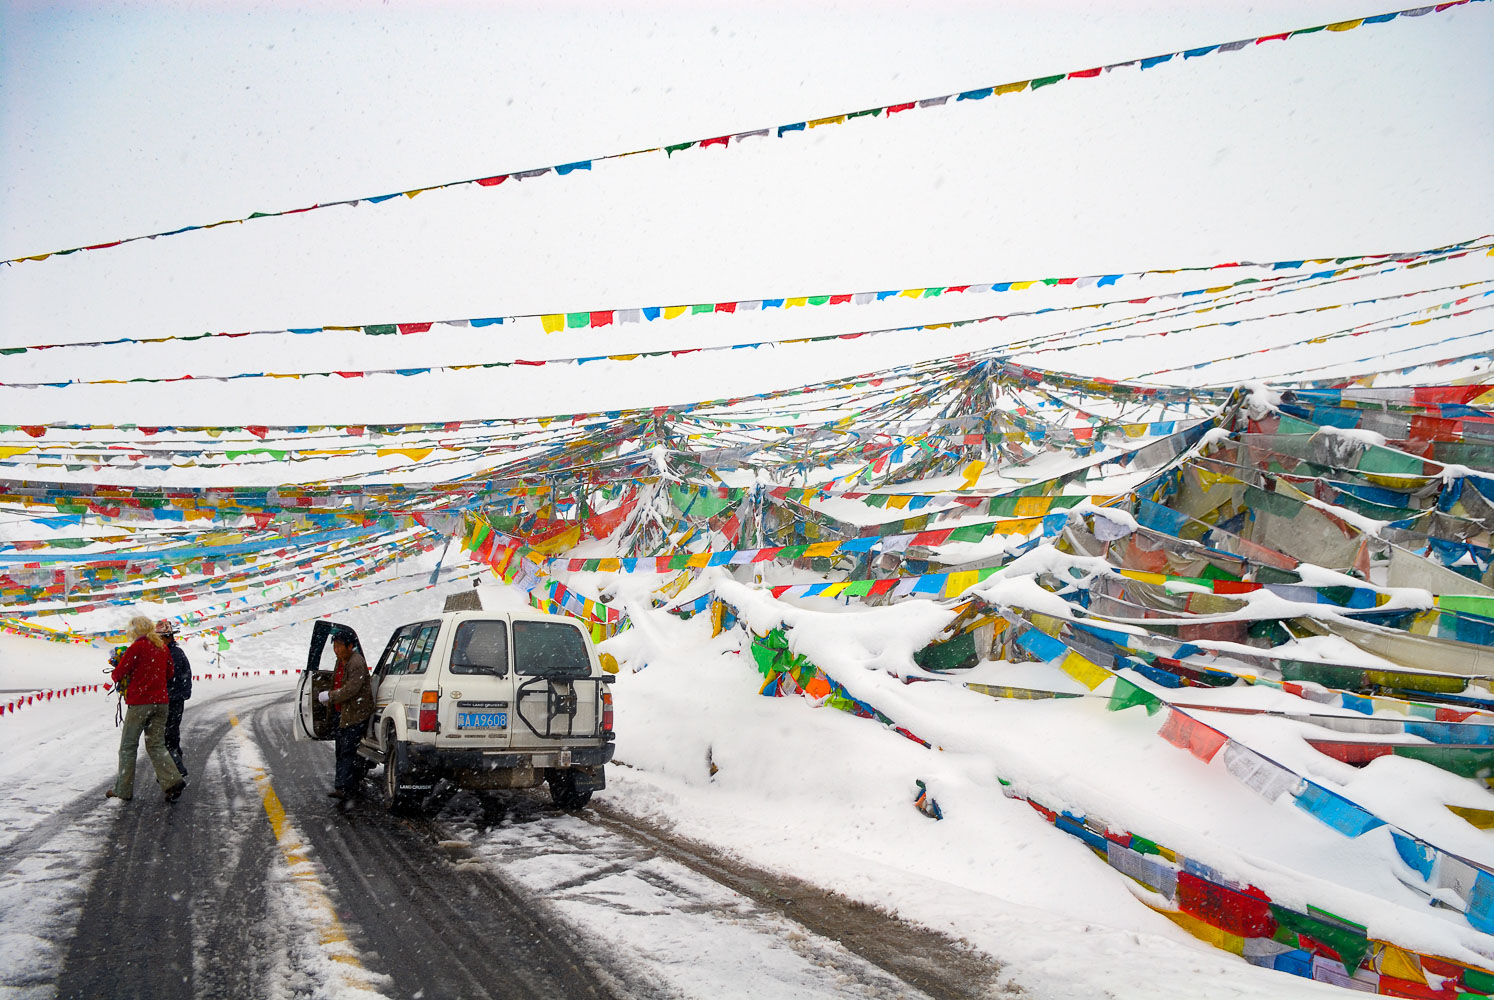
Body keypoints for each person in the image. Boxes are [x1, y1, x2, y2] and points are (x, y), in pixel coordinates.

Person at [107, 616, 186, 803]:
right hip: (162, 703)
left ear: (135, 631)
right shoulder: (161, 647)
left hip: (140, 704)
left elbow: (118, 674)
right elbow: (170, 673)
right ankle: (172, 780)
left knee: (128, 747)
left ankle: (123, 790)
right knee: (156, 744)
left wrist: (124, 673)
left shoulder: (137, 647)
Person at [318, 624, 374, 799]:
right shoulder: (341, 661)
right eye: (334, 646)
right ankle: (346, 783)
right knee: (342, 749)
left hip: (354, 714)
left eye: (340, 646)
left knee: (347, 750)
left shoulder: (356, 663)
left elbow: (351, 689)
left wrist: (330, 696)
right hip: (341, 713)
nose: (336, 650)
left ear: (350, 646)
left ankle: (346, 787)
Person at [157, 619, 193, 778]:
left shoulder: (172, 655)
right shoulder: (175, 653)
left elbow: (169, 677)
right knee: (172, 733)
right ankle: (175, 763)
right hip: (175, 698)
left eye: (160, 638)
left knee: (167, 737)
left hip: (171, 699)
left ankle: (175, 770)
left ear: (168, 637)